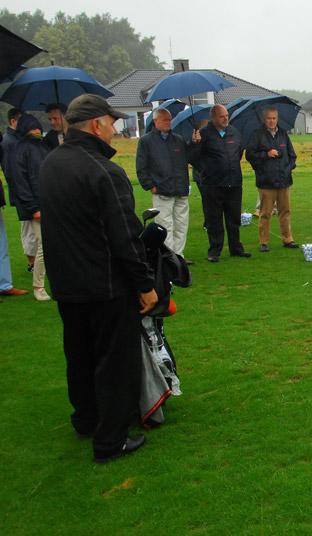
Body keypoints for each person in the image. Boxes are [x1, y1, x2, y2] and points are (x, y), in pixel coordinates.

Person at [39, 94, 158, 463]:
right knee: (113, 360)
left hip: (68, 282)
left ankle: (86, 418)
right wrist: (145, 284)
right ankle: (111, 439)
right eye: (111, 123)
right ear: (95, 125)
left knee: (79, 353)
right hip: (105, 283)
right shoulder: (104, 171)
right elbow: (125, 235)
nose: (114, 130)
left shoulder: (51, 163)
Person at [135, 108, 199, 262]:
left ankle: (179, 256)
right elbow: (141, 166)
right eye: (164, 119)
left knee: (181, 225)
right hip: (161, 190)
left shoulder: (178, 139)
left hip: (180, 189)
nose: (168, 122)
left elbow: (190, 158)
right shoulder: (146, 141)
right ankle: (168, 258)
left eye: (169, 119)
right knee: (164, 226)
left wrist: (195, 143)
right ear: (156, 121)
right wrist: (150, 185)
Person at [193, 104, 250, 262]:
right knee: (214, 219)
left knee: (234, 218)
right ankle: (215, 250)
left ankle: (236, 248)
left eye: (227, 115)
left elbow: (239, 152)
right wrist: (196, 144)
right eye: (222, 116)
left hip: (234, 182)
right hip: (213, 184)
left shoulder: (234, 132)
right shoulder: (203, 134)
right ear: (213, 117)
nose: (226, 118)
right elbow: (194, 158)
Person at [9, 114, 50, 301]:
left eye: (38, 128)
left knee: (52, 244)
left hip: (49, 203)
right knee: (43, 246)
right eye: (33, 128)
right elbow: (19, 182)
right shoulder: (19, 150)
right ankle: (38, 286)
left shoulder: (43, 147)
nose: (37, 131)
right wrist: (33, 207)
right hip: (36, 207)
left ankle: (52, 281)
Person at [245, 107, 299, 252]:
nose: (272, 121)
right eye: (269, 118)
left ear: (277, 119)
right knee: (265, 213)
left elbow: (292, 156)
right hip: (266, 182)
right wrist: (266, 154)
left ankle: (288, 239)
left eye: (274, 118)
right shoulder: (257, 135)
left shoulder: (283, 134)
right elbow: (249, 155)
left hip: (284, 181)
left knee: (285, 211)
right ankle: (264, 242)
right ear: (264, 119)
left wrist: (287, 170)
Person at [1, 108, 36, 272]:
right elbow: (10, 171)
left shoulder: (18, 139)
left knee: (32, 228)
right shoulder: (9, 142)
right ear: (13, 121)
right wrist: (22, 193)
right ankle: (32, 263)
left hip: (25, 190)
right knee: (28, 228)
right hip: (21, 192)